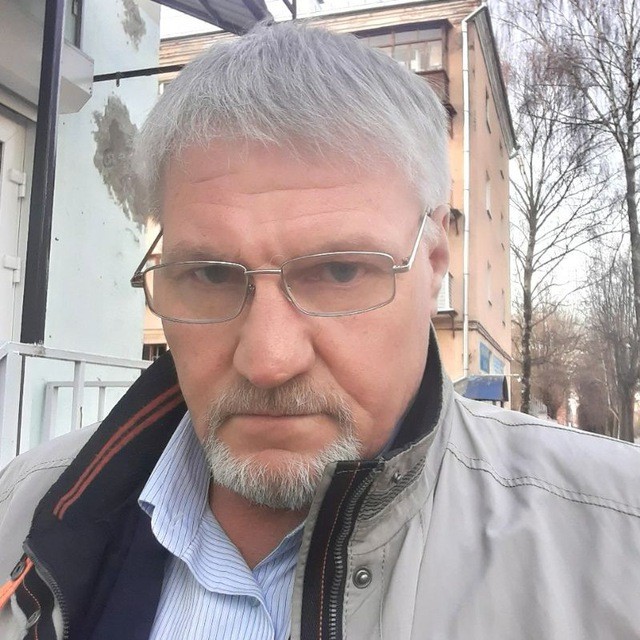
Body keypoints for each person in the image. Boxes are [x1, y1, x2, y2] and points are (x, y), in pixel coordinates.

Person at [0, 21, 639, 640]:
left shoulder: (617, 538)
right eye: (212, 275)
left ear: (434, 262)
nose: (268, 361)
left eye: (338, 272)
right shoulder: (24, 507)